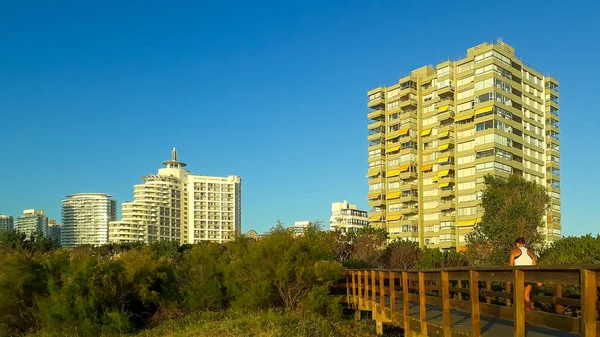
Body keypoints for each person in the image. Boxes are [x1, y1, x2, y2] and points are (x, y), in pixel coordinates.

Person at [509, 237, 541, 311]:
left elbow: (511, 265)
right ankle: (527, 312)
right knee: (526, 295)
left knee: (519, 295)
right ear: (524, 244)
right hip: (529, 276)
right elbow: (535, 266)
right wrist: (538, 279)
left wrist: (510, 278)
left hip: (518, 276)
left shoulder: (514, 251)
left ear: (517, 244)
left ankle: (520, 315)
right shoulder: (531, 253)